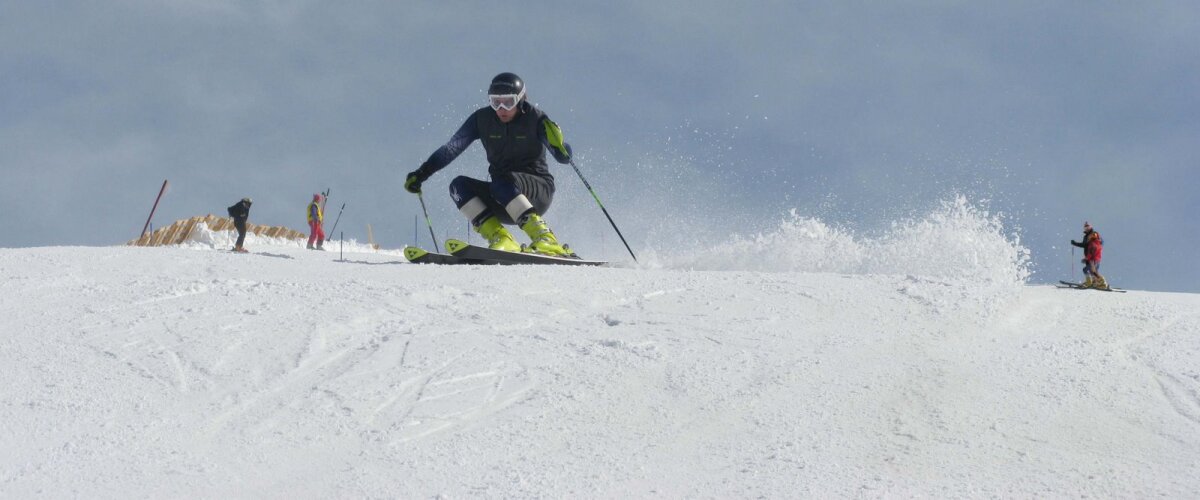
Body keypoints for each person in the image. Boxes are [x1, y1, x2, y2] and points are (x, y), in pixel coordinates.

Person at [404, 72, 575, 256]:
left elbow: (563, 158)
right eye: (495, 102)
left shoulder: (535, 118)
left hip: (538, 191)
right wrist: (422, 173)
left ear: (520, 99)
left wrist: (560, 146)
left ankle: (545, 238)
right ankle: (500, 237)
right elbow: (452, 148)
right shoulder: (482, 119)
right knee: (458, 186)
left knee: (502, 181)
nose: (501, 108)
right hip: (502, 195)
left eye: (508, 102)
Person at [1070, 221, 1107, 289]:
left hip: (1092, 258)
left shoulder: (1094, 236)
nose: (1086, 228)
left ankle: (1097, 282)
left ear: (1091, 227)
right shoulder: (1087, 237)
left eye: (1088, 226)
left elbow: (1094, 246)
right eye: (1085, 226)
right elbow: (1085, 245)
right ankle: (1095, 282)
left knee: (1090, 270)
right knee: (1092, 271)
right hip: (1091, 257)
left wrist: (1088, 257)